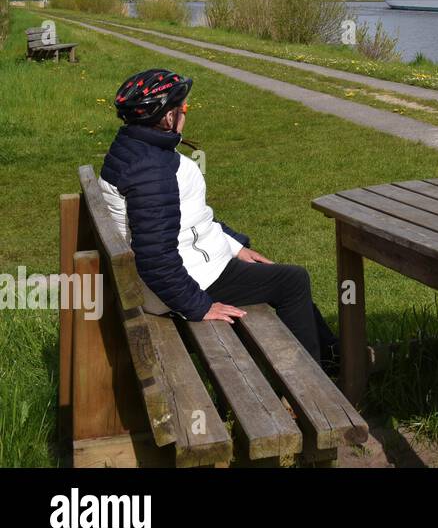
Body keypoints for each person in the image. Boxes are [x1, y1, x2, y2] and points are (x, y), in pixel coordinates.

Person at [99, 68, 338, 366]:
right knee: (293, 282)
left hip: (193, 266)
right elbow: (155, 257)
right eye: (182, 108)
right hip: (188, 282)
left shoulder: (138, 151)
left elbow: (189, 217)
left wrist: (236, 247)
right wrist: (198, 306)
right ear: (167, 117)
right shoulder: (151, 171)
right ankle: (312, 384)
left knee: (282, 276)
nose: (186, 113)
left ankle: (333, 356)